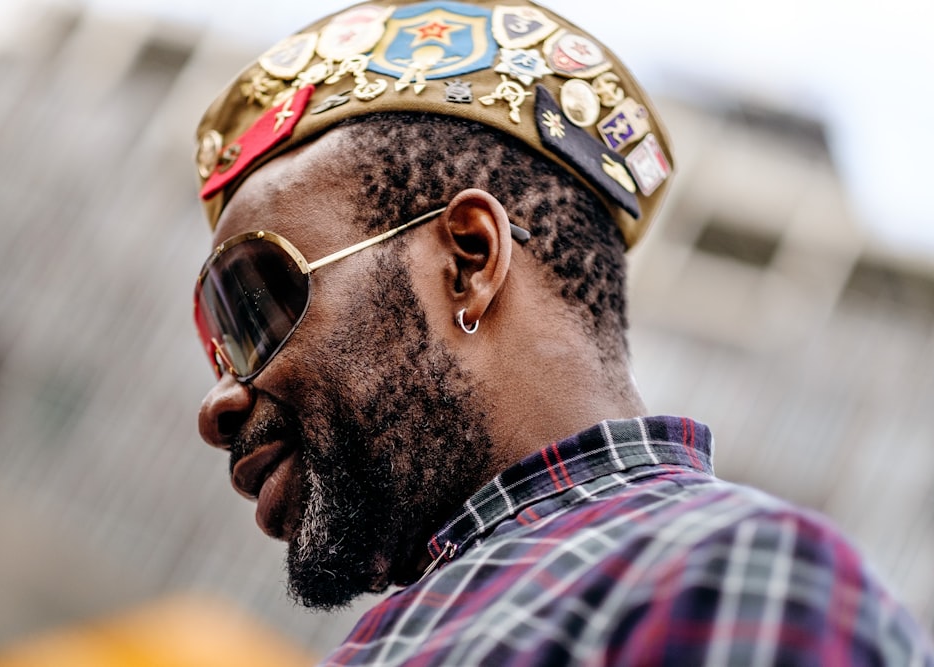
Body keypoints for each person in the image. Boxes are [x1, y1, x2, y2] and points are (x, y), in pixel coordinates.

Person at [191, 1, 934, 663]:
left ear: (470, 261)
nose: (217, 403)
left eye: (258, 308)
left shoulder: (734, 574)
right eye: (217, 337)